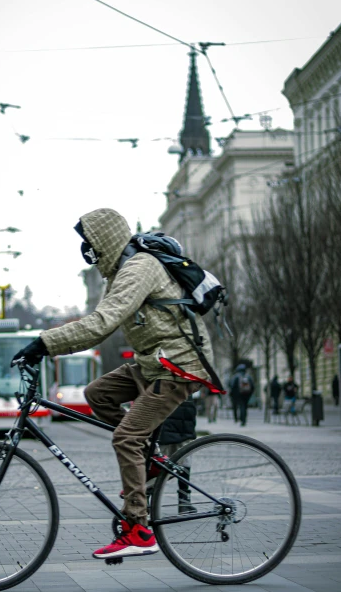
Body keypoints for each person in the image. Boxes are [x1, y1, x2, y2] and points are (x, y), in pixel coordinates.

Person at [12, 208, 215, 560]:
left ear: (105, 240)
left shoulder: (140, 268)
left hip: (178, 367)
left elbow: (101, 324)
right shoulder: (120, 273)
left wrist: (43, 344)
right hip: (154, 362)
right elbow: (96, 323)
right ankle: (149, 460)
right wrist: (47, 345)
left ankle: (138, 529)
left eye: (89, 243)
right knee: (97, 394)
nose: (87, 251)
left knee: (126, 438)